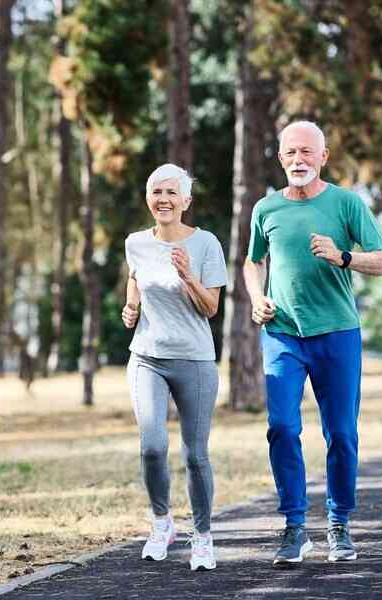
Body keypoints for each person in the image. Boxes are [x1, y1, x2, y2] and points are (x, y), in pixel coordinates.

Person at [243, 121, 382, 567]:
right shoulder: (266, 208)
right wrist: (256, 297)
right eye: (291, 152)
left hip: (337, 334)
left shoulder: (346, 203)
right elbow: (253, 262)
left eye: (307, 152)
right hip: (283, 335)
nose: (299, 160)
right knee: (282, 427)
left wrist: (343, 257)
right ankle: (294, 527)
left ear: (324, 157)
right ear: (280, 158)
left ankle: (339, 523)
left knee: (342, 434)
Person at [122, 163, 228, 571]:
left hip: (195, 359)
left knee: (195, 455)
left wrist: (187, 276)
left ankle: (202, 536)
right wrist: (131, 306)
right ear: (148, 198)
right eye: (156, 192)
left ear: (186, 200)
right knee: (152, 446)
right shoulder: (136, 242)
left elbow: (211, 307)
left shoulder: (205, 243)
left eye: (171, 192)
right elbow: (136, 278)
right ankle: (162, 522)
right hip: (147, 357)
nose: (163, 199)